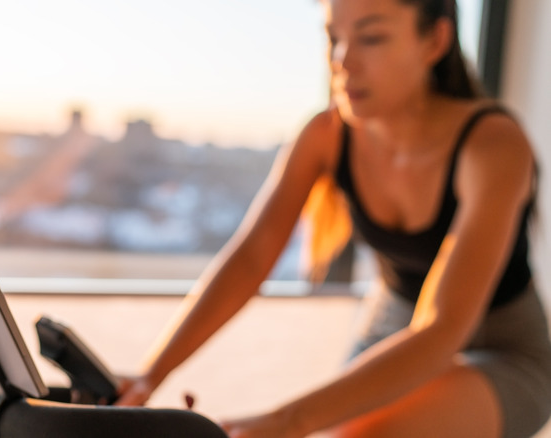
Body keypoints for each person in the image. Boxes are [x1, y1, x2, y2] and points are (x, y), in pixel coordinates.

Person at [114, 0, 551, 437]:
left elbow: (441, 329)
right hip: (391, 330)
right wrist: (150, 375)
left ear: (435, 40)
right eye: (333, 38)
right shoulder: (326, 135)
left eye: (372, 37)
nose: (343, 60)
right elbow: (251, 259)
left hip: (502, 349)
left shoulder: (494, 144)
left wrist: (287, 420)